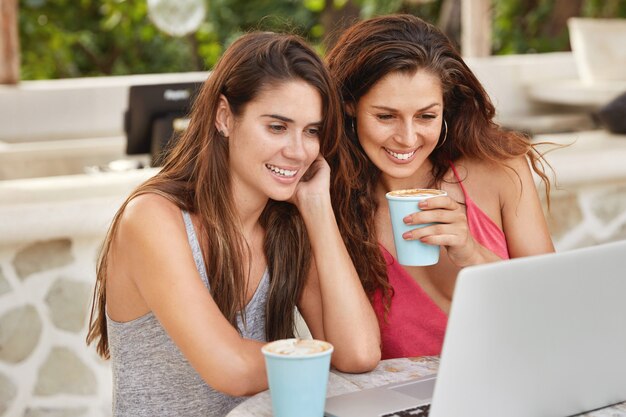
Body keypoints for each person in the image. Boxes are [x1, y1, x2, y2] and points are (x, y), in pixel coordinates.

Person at [86, 32, 380, 417]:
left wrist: (318, 211)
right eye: (277, 127)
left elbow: (358, 353)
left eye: (311, 131)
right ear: (224, 117)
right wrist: (323, 357)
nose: (298, 151)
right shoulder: (153, 218)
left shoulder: (286, 226)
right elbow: (231, 368)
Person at [325, 14, 555, 360]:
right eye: (385, 116)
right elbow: (353, 357)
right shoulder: (332, 208)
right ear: (349, 107)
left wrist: (472, 253)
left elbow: (553, 308)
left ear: (445, 109)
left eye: (426, 116)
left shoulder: (501, 171)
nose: (407, 137)